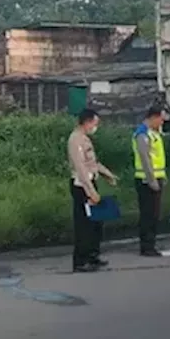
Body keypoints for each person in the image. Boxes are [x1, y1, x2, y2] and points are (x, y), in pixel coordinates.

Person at [67, 108, 117, 273]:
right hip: (82, 185)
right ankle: (80, 261)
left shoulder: (85, 139)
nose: (95, 127)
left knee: (96, 223)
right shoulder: (75, 140)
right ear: (87, 122)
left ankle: (92, 255)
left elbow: (92, 162)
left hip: (91, 181)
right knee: (84, 224)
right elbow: (80, 167)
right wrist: (90, 191)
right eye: (94, 124)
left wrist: (107, 174)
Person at [132, 106, 168, 257]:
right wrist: (152, 180)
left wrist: (162, 176)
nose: (162, 122)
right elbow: (145, 159)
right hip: (146, 180)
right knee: (148, 214)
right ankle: (147, 246)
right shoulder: (142, 134)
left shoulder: (154, 133)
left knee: (154, 214)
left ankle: (151, 243)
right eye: (161, 119)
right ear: (153, 117)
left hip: (155, 178)